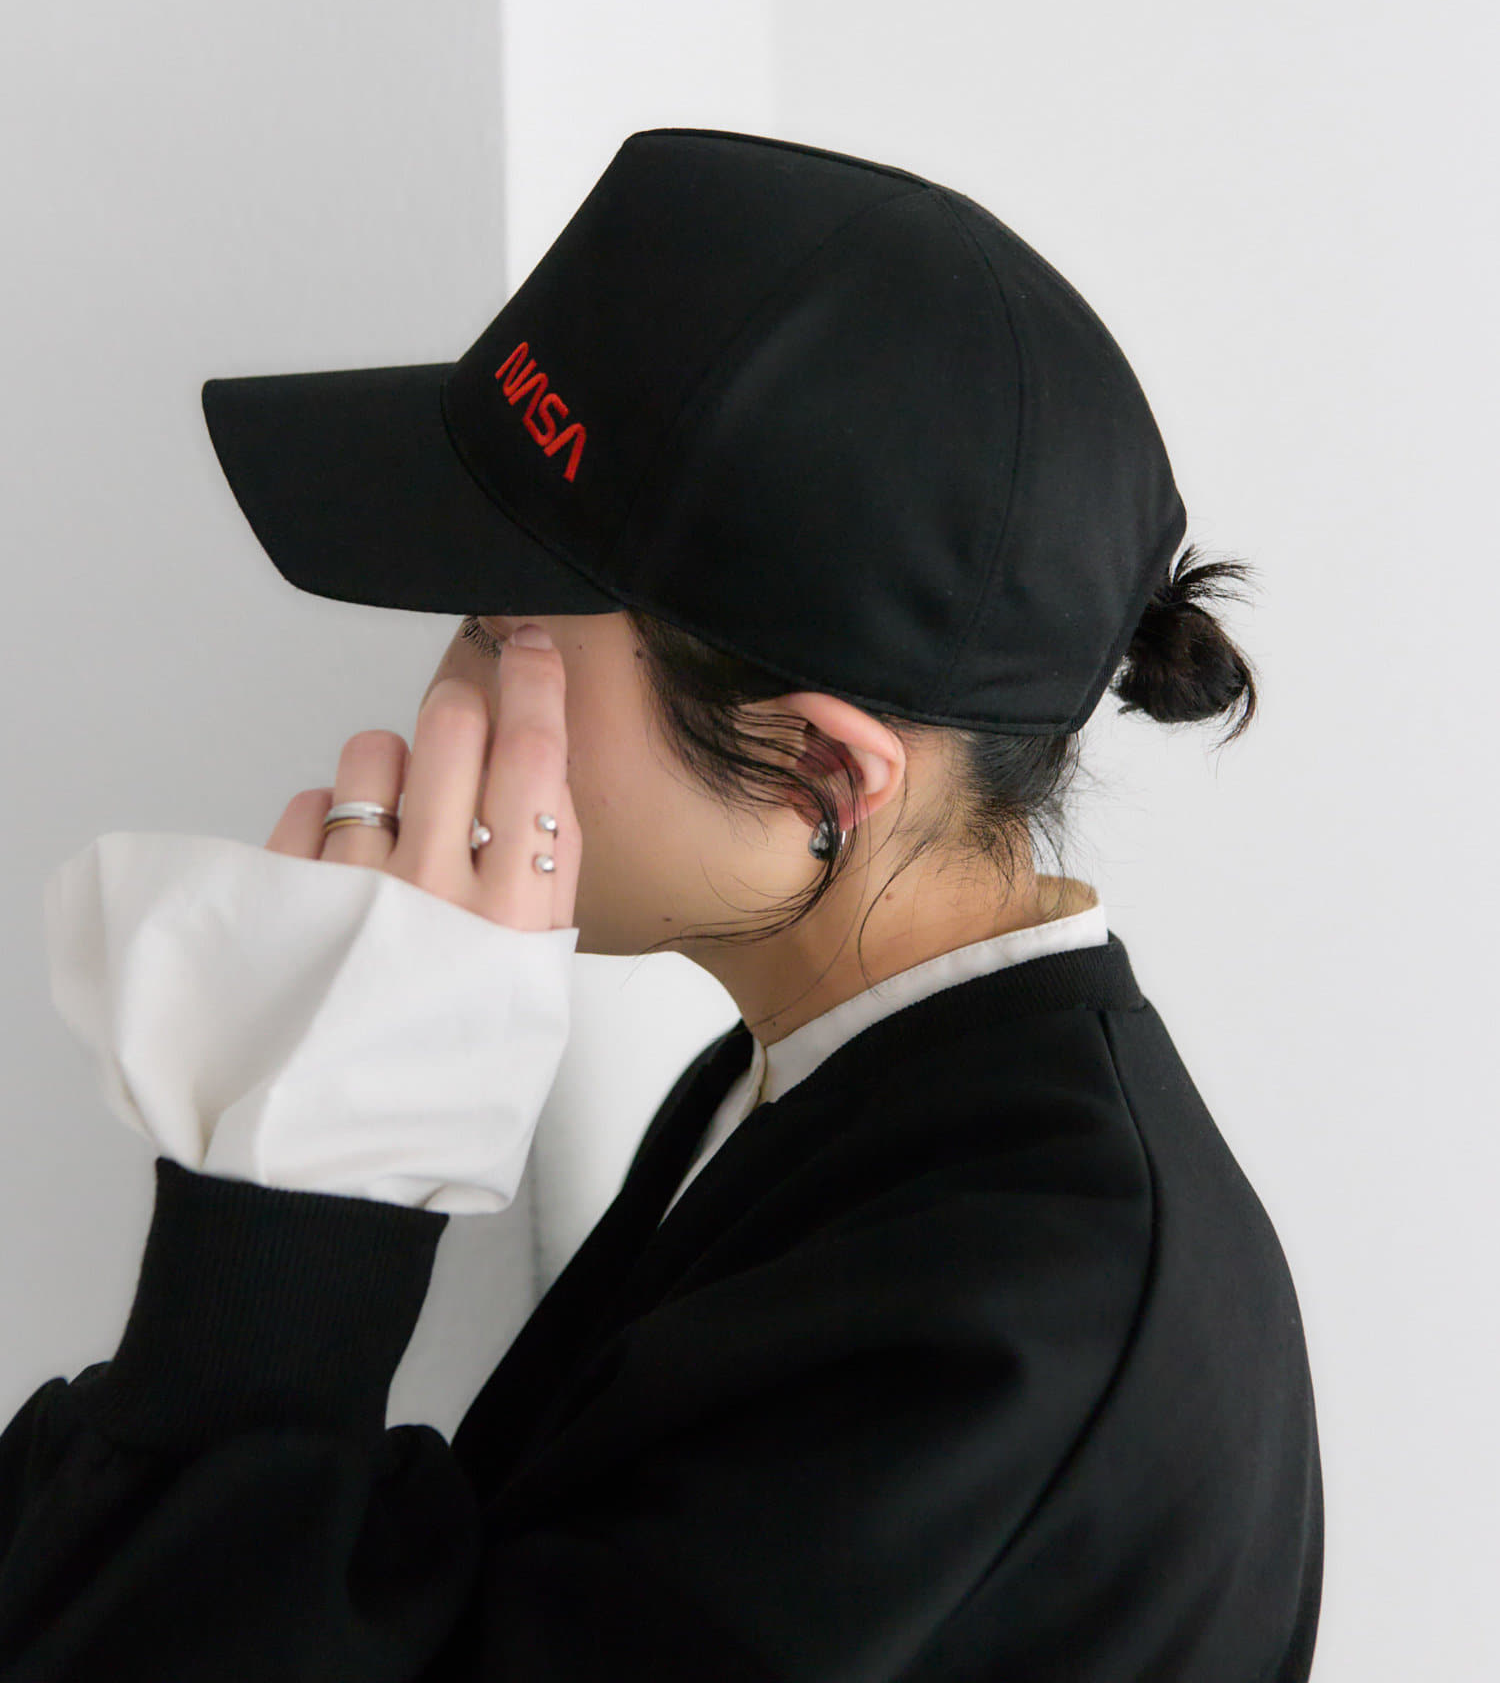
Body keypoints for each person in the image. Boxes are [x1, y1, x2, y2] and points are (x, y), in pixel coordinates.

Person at [1, 127, 1322, 1680]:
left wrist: (301, 1230)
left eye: (497, 629)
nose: (442, 694)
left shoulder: (1002, 1308)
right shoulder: (815, 1089)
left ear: (818, 771)